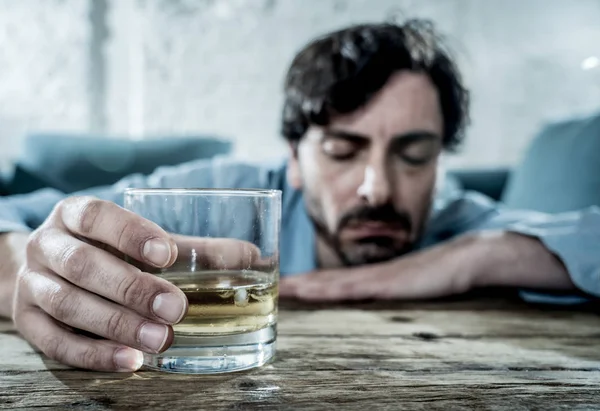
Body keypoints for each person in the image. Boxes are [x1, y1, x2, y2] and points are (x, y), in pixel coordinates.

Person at [0, 19, 599, 372]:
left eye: (414, 154)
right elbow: (23, 222)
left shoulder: (459, 220)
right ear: (293, 155)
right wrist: (35, 270)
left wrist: (480, 255)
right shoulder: (225, 192)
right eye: (343, 150)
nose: (377, 187)